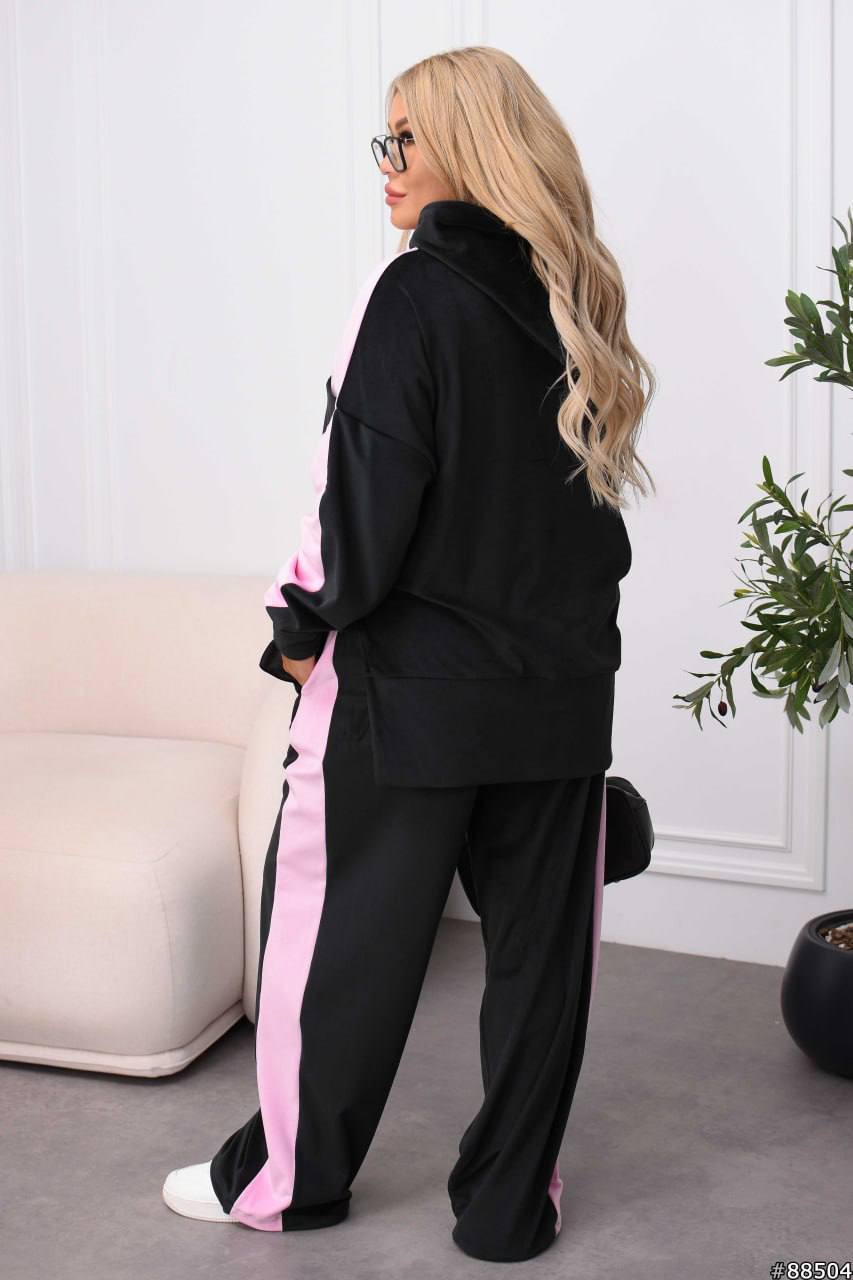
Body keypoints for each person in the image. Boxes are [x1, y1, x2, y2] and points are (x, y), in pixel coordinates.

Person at [162, 44, 655, 1263]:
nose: (383, 166)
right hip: (558, 695)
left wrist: (297, 630)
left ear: (467, 149)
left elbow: (360, 503)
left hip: (407, 693)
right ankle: (507, 1209)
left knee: (333, 949)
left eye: (403, 139)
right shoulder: (574, 301)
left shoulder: (412, 291)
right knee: (542, 968)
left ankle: (284, 1180)